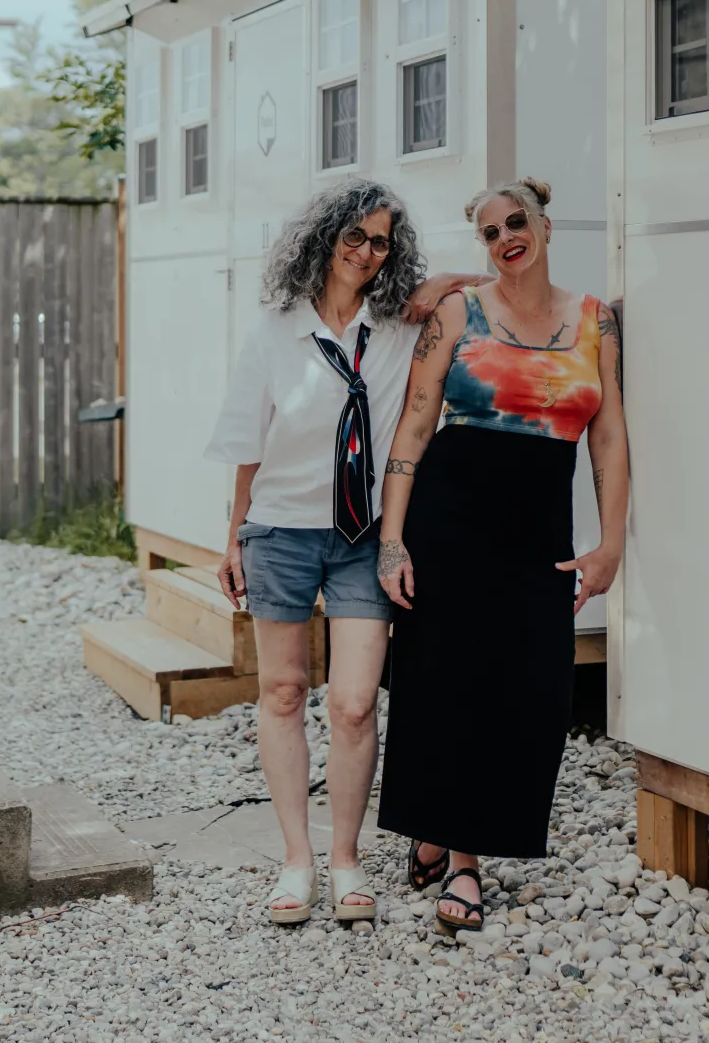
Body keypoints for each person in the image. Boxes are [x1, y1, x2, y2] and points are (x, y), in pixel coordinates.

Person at [204, 177, 485, 925]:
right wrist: (233, 537)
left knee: (356, 704)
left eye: (381, 242)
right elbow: (248, 443)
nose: (365, 251)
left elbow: (486, 285)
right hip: (281, 532)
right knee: (284, 691)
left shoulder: (397, 327)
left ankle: (346, 859)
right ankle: (297, 861)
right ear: (325, 238)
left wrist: (439, 282)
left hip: (365, 538)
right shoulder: (276, 331)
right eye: (353, 235)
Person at [375, 176, 630, 933]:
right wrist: (392, 540)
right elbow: (415, 424)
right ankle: (464, 861)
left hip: (538, 533)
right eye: (489, 232)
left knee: (530, 692)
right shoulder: (460, 311)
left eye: (516, 222)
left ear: (546, 226)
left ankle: (436, 830)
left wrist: (610, 542)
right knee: (452, 685)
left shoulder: (597, 321)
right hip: (449, 521)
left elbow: (609, 436)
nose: (505, 238)